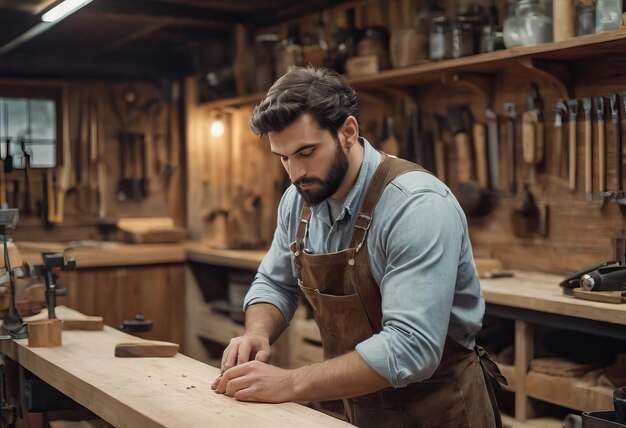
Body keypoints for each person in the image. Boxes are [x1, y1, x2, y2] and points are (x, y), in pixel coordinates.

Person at [211, 66, 504, 427]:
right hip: (351, 407)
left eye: (306, 152)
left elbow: (410, 349)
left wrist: (288, 383)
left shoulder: (415, 205)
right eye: (283, 158)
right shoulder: (298, 200)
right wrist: (256, 332)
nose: (294, 172)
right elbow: (275, 283)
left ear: (348, 131)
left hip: (437, 408)